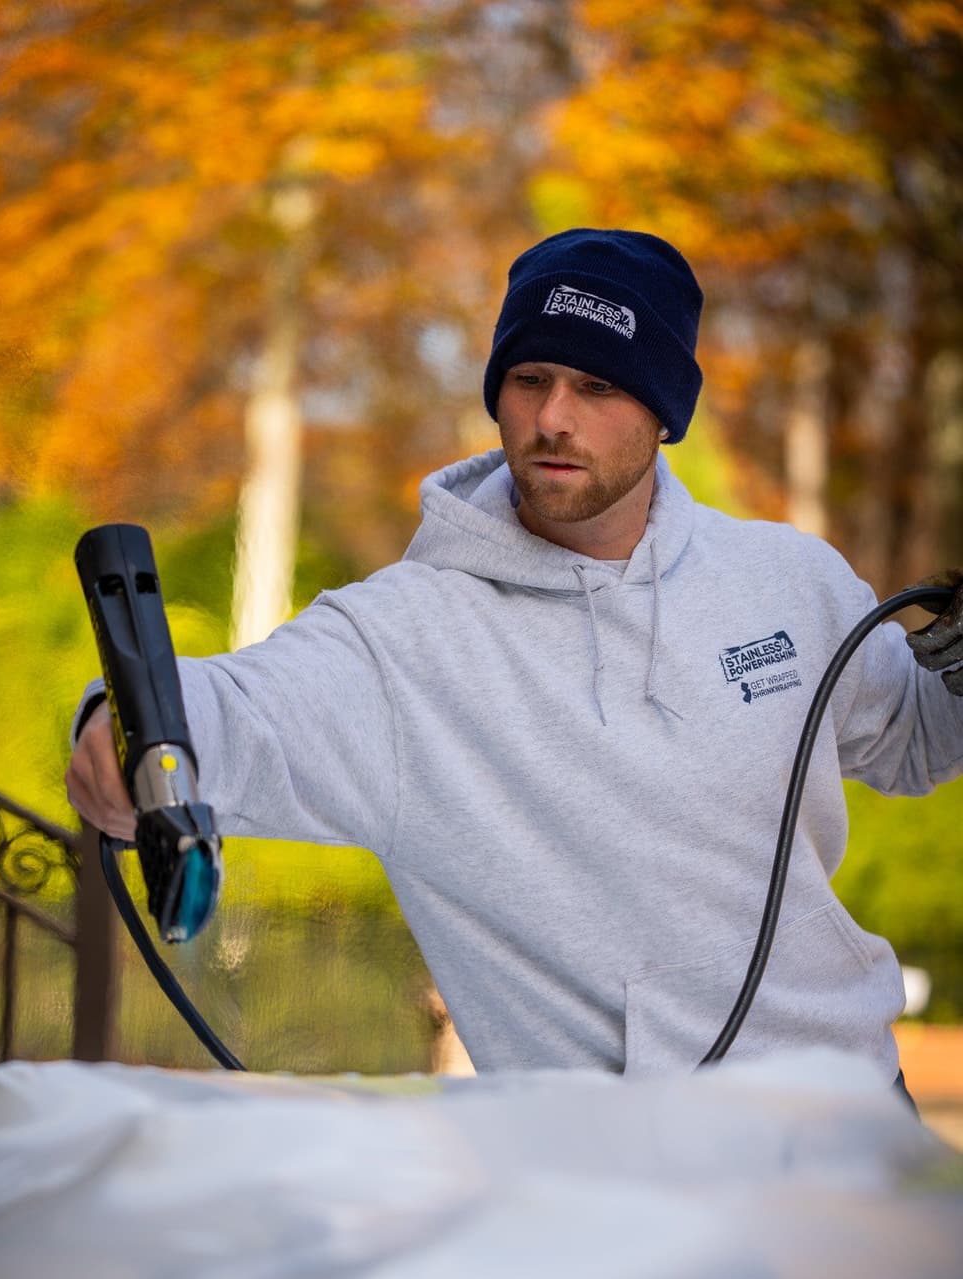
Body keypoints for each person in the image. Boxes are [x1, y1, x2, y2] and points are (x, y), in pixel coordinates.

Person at [67, 229, 963, 1085]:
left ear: (663, 411)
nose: (553, 418)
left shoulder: (787, 580)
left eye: (599, 387)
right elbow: (240, 709)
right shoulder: (404, 643)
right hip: (609, 1173)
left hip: (847, 1110)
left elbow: (915, 744)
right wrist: (132, 733)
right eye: (529, 378)